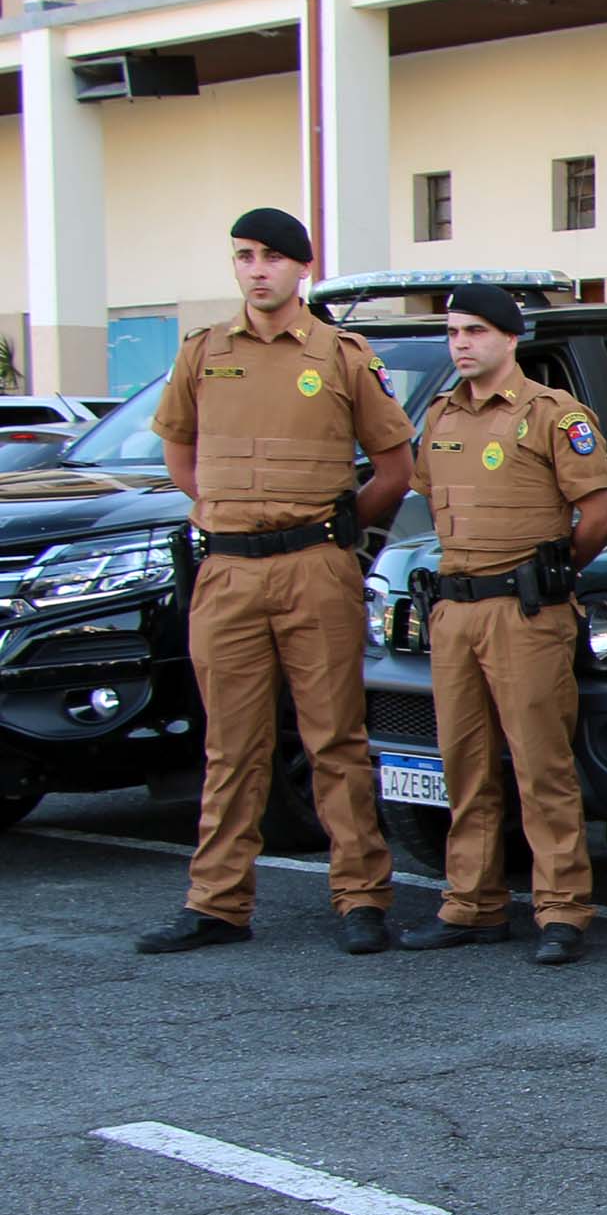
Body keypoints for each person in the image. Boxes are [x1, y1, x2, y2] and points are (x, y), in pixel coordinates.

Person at [136, 209, 412, 957]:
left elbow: (394, 466)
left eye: (270, 258)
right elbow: (180, 456)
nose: (256, 270)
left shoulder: (340, 353)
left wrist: (334, 531)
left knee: (336, 741)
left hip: (313, 566)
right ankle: (218, 902)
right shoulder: (203, 353)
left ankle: (361, 897)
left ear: (300, 268)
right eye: (243, 257)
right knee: (231, 746)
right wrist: (225, 514)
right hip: (227, 569)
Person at [397, 286, 607, 965]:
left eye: (474, 331)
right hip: (455, 610)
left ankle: (562, 910)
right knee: (463, 768)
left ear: (510, 338)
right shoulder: (439, 417)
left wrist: (552, 575)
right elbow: (422, 504)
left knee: (540, 767)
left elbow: (601, 517)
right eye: (452, 331)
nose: (460, 343)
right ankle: (472, 903)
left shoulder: (552, 415)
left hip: (525, 613)